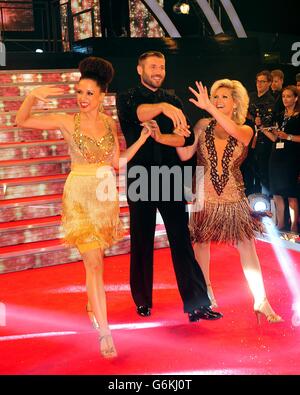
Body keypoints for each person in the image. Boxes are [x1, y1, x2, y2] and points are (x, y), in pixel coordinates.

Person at [15, 56, 153, 358]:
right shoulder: (67, 121)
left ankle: (92, 305)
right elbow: (22, 122)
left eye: (89, 93)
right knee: (93, 264)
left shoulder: (107, 122)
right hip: (79, 194)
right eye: (79, 92)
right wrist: (31, 96)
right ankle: (105, 333)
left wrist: (142, 139)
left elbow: (116, 163)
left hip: (104, 197)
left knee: (98, 260)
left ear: (102, 95)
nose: (82, 99)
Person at [116, 51, 222, 322]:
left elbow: (182, 140)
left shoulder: (173, 99)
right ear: (140, 69)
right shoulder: (127, 96)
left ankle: (197, 303)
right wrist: (163, 108)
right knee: (142, 239)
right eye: (153, 66)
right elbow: (140, 113)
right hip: (140, 177)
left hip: (170, 176)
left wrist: (163, 134)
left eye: (162, 67)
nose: (158, 71)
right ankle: (142, 300)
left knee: (181, 239)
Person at [176, 79, 283, 324]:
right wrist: (178, 136)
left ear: (236, 102)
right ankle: (206, 294)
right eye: (216, 97)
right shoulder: (203, 125)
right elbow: (184, 154)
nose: (218, 101)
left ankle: (260, 300)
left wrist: (210, 109)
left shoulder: (246, 129)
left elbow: (235, 133)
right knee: (201, 246)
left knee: (247, 246)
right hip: (204, 195)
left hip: (234, 196)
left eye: (224, 97)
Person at [268, 85, 300, 233]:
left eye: (288, 96)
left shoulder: (299, 116)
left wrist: (288, 137)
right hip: (276, 156)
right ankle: (280, 224)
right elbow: (275, 138)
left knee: (291, 193)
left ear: (296, 98)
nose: (285, 99)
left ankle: (293, 225)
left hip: (291, 157)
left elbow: (292, 137)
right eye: (283, 96)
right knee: (277, 192)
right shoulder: (280, 115)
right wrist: (263, 129)